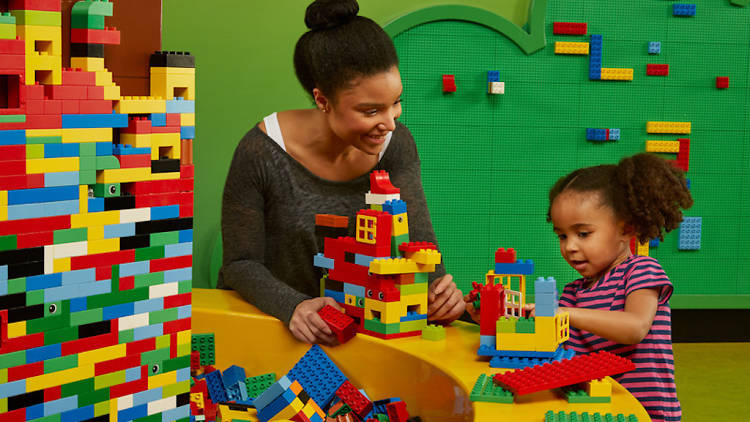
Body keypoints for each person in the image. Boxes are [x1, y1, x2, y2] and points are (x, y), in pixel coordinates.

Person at [218, 0, 465, 346]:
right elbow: (241, 263)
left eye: (395, 102)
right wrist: (294, 306)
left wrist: (440, 295)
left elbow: (418, 247)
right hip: (271, 329)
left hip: (359, 332)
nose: (390, 122)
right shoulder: (260, 150)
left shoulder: (396, 144)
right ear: (322, 101)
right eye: (370, 110)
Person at [529, 153, 688, 422]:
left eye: (583, 234)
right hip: (594, 410)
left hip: (645, 414)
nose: (570, 247)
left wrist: (564, 313)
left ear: (626, 229)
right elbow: (551, 349)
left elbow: (635, 327)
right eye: (562, 235)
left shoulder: (642, 271)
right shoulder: (573, 293)